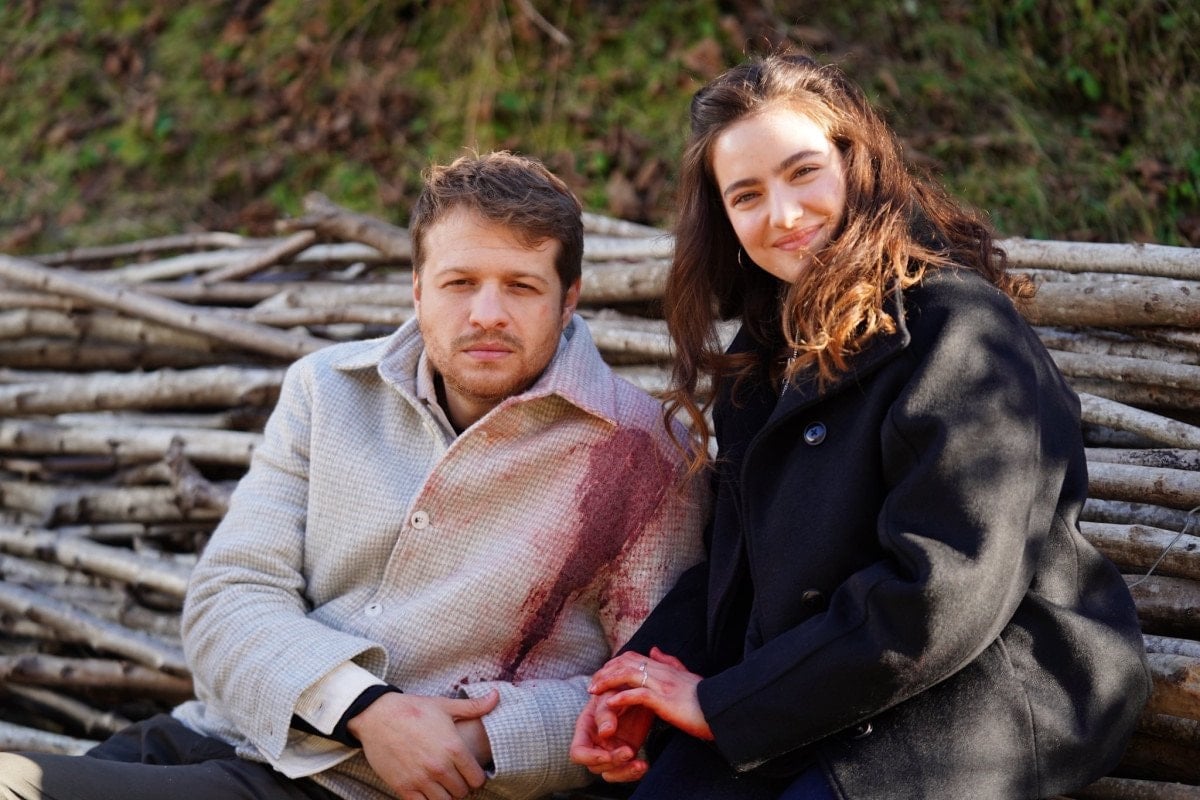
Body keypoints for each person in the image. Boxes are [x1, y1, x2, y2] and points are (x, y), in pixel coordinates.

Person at [0, 152, 705, 800]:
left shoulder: (646, 454)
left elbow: (643, 684)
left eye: (521, 286)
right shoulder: (327, 389)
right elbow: (229, 594)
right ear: (418, 288)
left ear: (568, 296)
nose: (487, 314)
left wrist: (484, 740)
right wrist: (366, 709)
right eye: (460, 283)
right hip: (230, 733)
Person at [569, 52, 1152, 800]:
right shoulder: (762, 358)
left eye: (803, 172)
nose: (783, 215)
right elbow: (731, 572)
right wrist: (634, 689)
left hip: (986, 689)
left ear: (858, 165)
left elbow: (946, 588)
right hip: (813, 685)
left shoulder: (959, 332)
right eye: (747, 195)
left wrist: (727, 704)